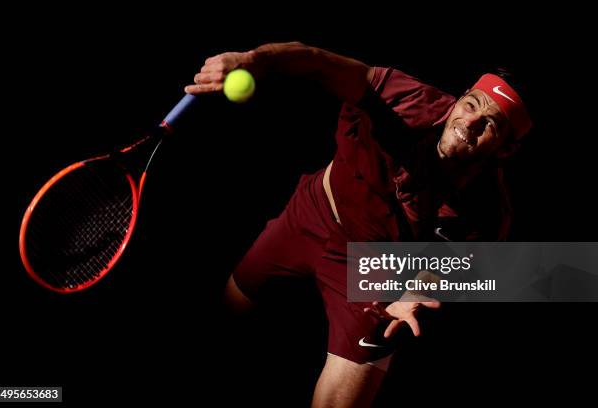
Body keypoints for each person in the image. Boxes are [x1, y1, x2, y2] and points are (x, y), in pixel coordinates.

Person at [185, 42, 532, 408]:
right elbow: (315, 62)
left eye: (490, 124)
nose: (469, 124)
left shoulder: (489, 214)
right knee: (225, 314)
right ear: (461, 98)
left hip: (373, 268)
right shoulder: (402, 97)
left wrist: (411, 296)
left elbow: (443, 265)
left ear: (506, 149)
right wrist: (251, 61)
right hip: (311, 214)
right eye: (471, 104)